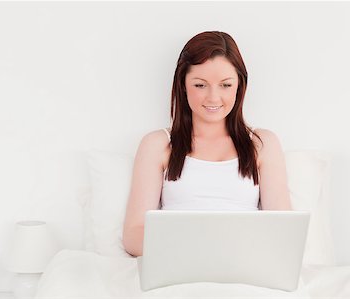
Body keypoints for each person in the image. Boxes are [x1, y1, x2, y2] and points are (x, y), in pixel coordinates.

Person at [122, 31, 292, 257]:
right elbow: (134, 235)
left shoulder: (262, 144)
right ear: (183, 85)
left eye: (225, 85)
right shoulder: (157, 144)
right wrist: (196, 250)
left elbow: (283, 233)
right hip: (176, 262)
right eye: (200, 85)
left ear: (239, 86)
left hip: (241, 264)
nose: (213, 98)